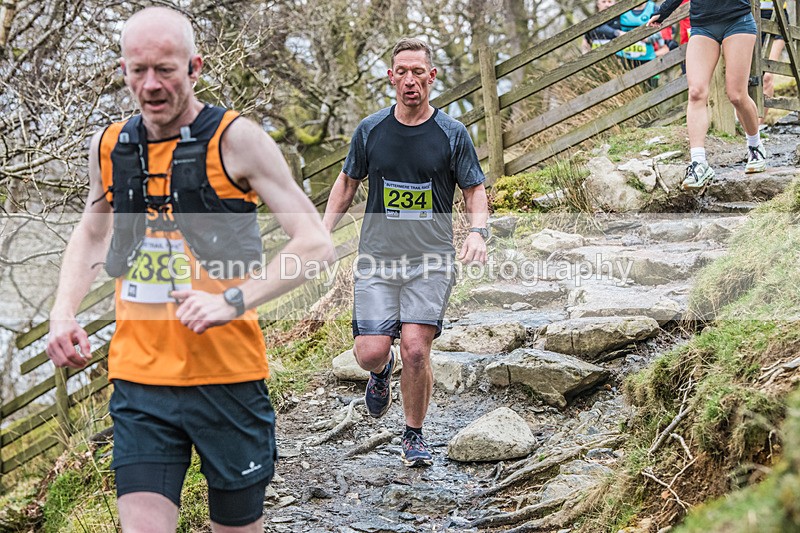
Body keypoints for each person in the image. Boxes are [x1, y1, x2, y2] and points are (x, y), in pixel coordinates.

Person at [45, 6, 334, 532]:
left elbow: (315, 244)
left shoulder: (236, 140)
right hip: (138, 379)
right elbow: (93, 231)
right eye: (139, 70)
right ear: (124, 71)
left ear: (195, 67)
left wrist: (233, 300)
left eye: (166, 70)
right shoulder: (110, 146)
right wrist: (63, 311)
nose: (151, 85)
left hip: (227, 377)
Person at [322, 38, 489, 468]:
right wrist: (323, 234)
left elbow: (474, 188)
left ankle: (413, 434)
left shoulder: (452, 134)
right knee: (370, 352)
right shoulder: (371, 130)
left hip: (431, 260)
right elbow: (347, 183)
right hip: (377, 260)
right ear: (391, 77)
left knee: (417, 349)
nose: (410, 80)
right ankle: (381, 374)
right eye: (403, 72)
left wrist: (478, 232)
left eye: (419, 72)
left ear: (432, 77)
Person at [649, 0, 768, 191]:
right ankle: (698, 162)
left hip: (737, 20)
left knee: (736, 95)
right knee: (696, 92)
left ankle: (755, 146)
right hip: (702, 25)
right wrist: (664, 11)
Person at [761, 1, 788, 126]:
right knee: (748, 78)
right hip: (746, 15)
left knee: (767, 76)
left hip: (777, 16)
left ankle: (758, 126)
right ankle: (747, 126)